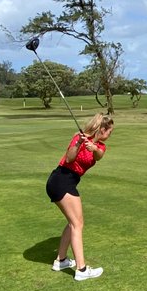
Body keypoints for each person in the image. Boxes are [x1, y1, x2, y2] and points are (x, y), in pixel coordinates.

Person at [46, 113, 114, 281]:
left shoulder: (100, 146)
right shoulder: (78, 137)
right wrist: (79, 143)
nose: (110, 134)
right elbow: (69, 158)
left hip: (67, 182)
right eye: (109, 131)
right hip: (61, 179)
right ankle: (82, 270)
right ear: (102, 129)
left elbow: (99, 155)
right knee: (78, 224)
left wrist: (94, 148)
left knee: (73, 223)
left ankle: (61, 260)